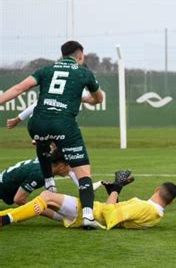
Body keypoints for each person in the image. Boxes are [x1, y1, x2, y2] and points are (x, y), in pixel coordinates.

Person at [0, 41, 105, 229]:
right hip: (63, 124)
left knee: (43, 143)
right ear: (81, 55)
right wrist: (93, 99)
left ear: (62, 54)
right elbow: (97, 98)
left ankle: (49, 183)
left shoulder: (46, 70)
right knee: (83, 173)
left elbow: (18, 89)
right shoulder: (84, 73)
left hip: (37, 123)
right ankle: (88, 216)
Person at [0, 178, 176, 230]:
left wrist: (116, 189)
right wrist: (114, 192)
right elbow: (119, 214)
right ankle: (3, 217)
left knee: (47, 196)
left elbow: (111, 215)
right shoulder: (155, 215)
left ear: (157, 190)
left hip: (91, 212)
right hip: (93, 214)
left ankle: (7, 219)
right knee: (42, 205)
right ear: (170, 203)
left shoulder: (146, 207)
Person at [0, 149, 71, 221]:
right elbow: (19, 199)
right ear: (61, 166)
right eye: (70, 165)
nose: (71, 169)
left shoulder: (46, 164)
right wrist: (56, 216)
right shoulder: (40, 174)